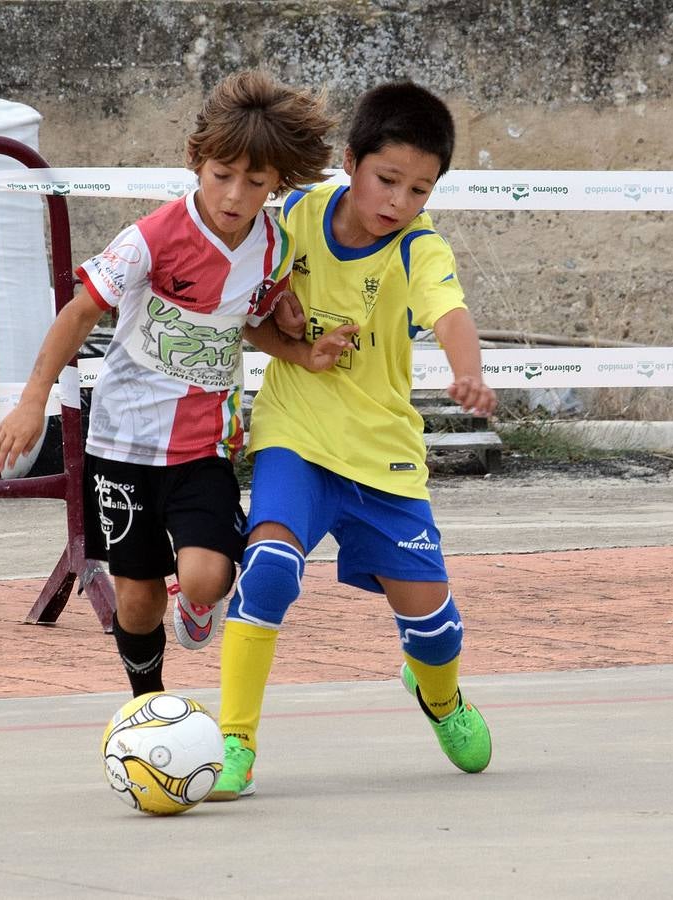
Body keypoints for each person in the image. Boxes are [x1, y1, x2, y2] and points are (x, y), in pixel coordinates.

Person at [0, 70, 351, 698]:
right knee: (136, 598)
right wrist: (30, 403)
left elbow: (251, 324)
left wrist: (300, 350)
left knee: (208, 575)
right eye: (222, 175)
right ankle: (148, 706)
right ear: (196, 161)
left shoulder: (272, 248)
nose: (235, 195)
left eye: (256, 183)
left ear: (278, 184)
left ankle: (198, 604)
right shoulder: (150, 239)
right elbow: (79, 313)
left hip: (203, 443)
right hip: (121, 445)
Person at [202, 80, 498, 801]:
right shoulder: (294, 216)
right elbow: (243, 306)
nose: (398, 200)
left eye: (418, 190)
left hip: (382, 456)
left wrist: (469, 371)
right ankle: (234, 740)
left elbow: (450, 313)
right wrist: (284, 329)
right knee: (269, 565)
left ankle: (438, 695)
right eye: (387, 179)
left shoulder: (419, 251)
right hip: (294, 436)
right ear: (350, 161)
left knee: (434, 632)